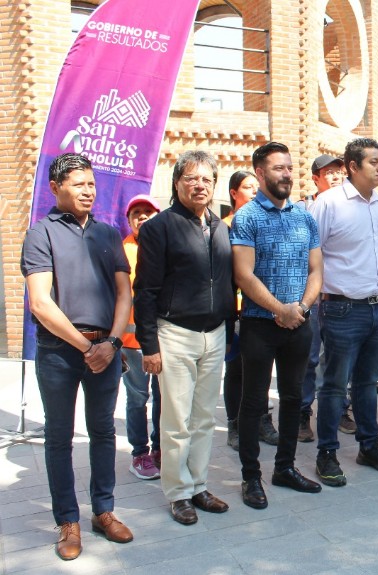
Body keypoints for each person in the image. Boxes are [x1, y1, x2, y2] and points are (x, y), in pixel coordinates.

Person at [21, 153, 134, 560]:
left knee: (103, 432)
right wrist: (87, 347)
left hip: (106, 348)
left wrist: (113, 343)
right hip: (59, 352)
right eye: (78, 184)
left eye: (91, 183)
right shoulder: (41, 234)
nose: (88, 190)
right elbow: (40, 303)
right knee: (59, 437)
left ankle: (104, 510)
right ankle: (68, 521)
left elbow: (125, 293)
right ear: (55, 189)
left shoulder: (108, 234)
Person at [134, 150, 235, 525]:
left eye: (207, 179)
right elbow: (144, 290)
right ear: (177, 184)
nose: (199, 185)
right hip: (174, 334)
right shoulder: (159, 228)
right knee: (176, 420)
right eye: (191, 178)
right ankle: (177, 493)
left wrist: (230, 326)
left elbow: (228, 282)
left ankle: (198, 485)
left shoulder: (222, 227)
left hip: (215, 334)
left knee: (204, 417)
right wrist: (149, 345)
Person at [232, 142, 324, 509]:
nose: (286, 174)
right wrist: (278, 309)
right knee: (253, 402)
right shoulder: (247, 217)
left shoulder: (304, 217)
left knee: (292, 397)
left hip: (299, 322)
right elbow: (243, 274)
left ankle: (284, 468)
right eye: (278, 168)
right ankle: (251, 477)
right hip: (258, 324)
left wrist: (299, 307)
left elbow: (317, 270)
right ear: (260, 173)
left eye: (289, 168)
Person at [310, 138, 378, 486]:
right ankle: (327, 453)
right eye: (373, 162)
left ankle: (369, 445)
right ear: (352, 166)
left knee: (367, 383)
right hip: (342, 308)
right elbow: (311, 253)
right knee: (334, 385)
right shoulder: (328, 203)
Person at [298, 154, 355, 444]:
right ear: (315, 178)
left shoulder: (351, 207)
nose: (335, 176)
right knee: (308, 358)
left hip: (341, 297)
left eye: (338, 172)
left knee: (338, 358)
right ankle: (302, 413)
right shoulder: (302, 209)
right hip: (313, 298)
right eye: (328, 172)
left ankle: (340, 410)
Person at [222, 170, 278, 451]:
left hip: (264, 310)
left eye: (258, 187)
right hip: (238, 311)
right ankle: (234, 423)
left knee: (262, 370)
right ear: (234, 193)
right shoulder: (225, 227)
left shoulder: (268, 222)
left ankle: (262, 419)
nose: (255, 191)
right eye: (248, 187)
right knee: (236, 370)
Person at [121, 194, 162, 479]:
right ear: (128, 219)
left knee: (163, 397)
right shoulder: (121, 250)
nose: (142, 216)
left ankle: (160, 448)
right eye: (136, 212)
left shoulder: (165, 246)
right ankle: (140, 452)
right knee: (137, 397)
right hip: (131, 343)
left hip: (164, 339)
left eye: (148, 211)